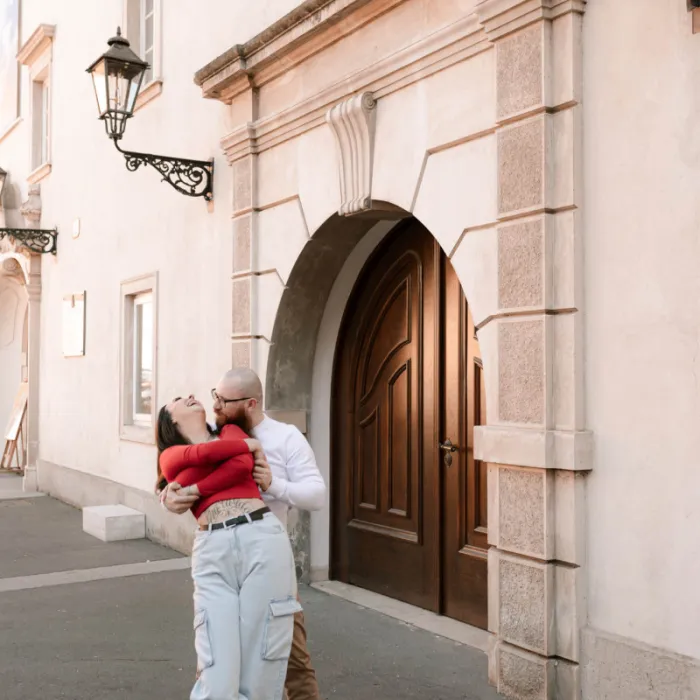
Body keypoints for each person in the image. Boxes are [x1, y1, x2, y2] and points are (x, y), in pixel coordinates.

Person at [162, 368, 326, 700]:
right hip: (219, 549)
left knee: (288, 658)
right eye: (215, 396)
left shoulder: (285, 437)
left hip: (267, 552)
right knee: (216, 659)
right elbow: (173, 470)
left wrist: (273, 484)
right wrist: (167, 496)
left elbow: (316, 495)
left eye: (223, 400)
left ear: (250, 403)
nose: (216, 405)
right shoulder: (212, 433)